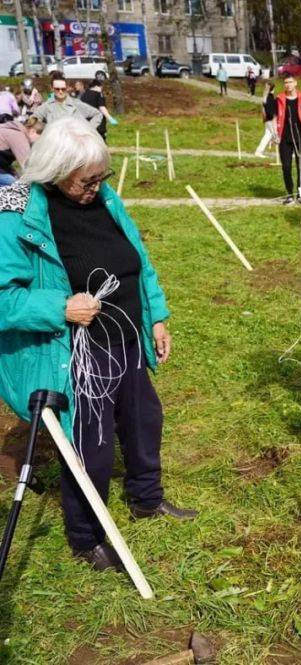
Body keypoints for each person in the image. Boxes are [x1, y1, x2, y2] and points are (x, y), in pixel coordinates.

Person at [0, 118, 197, 573]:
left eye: (102, 176)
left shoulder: (106, 199)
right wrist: (60, 307)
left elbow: (138, 261)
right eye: (88, 179)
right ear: (57, 169)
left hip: (125, 336)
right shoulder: (19, 216)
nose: (98, 186)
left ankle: (147, 498)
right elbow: (5, 299)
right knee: (91, 444)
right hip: (77, 354)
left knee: (144, 419)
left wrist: (158, 316)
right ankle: (86, 536)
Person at [275, 75, 301, 205]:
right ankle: (290, 194)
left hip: (300, 138)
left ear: (295, 83)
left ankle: (300, 195)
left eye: (290, 82)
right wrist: (275, 134)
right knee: (286, 166)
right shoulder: (279, 99)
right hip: (285, 138)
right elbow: (274, 118)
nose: (288, 85)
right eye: (285, 82)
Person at [33, 74, 102, 130]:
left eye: (63, 89)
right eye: (57, 89)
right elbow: (33, 119)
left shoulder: (76, 104)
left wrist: (88, 130)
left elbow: (97, 114)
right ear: (52, 88)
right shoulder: (46, 106)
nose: (60, 91)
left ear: (67, 88)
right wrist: (45, 130)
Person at [0, 116, 35, 185]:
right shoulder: (17, 135)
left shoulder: (8, 129)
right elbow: (27, 164)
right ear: (33, 131)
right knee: (15, 185)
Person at [253, 82, 277, 158]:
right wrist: (273, 117)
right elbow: (270, 110)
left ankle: (259, 151)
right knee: (275, 135)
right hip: (270, 119)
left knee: (268, 135)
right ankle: (259, 151)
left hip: (267, 119)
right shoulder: (270, 97)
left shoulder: (266, 96)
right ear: (273, 89)